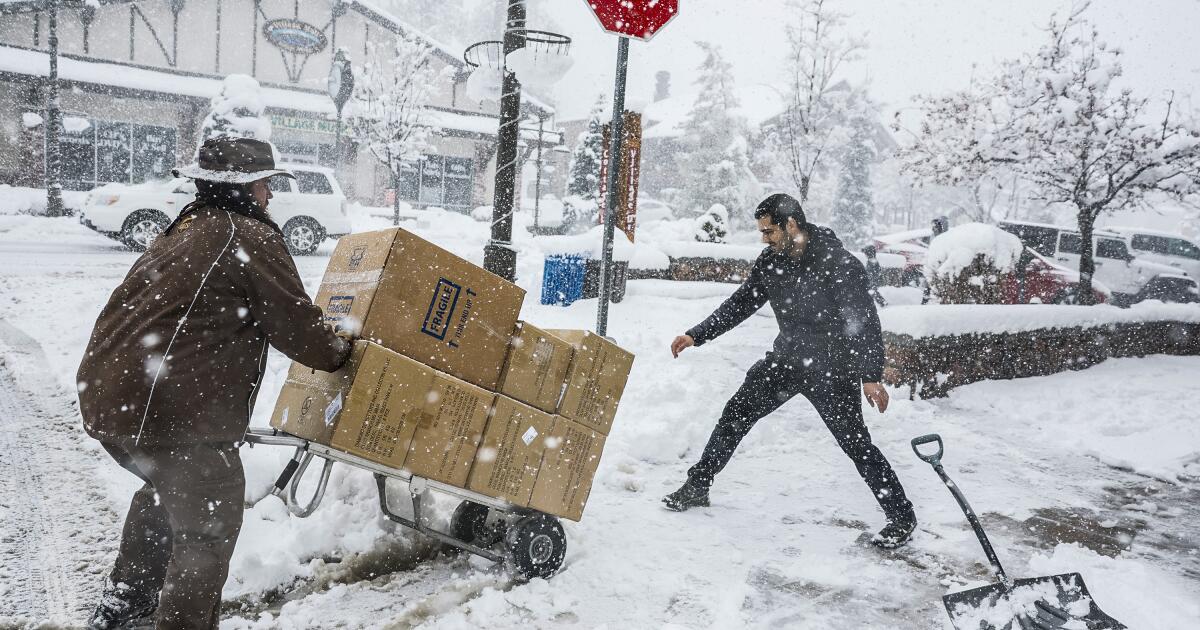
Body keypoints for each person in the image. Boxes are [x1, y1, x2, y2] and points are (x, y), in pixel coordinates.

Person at [77, 137, 352, 629]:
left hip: (111, 395)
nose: (271, 195)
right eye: (267, 184)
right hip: (169, 405)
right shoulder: (248, 235)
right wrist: (342, 351)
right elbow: (297, 327)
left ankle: (126, 601)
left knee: (165, 491)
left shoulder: (185, 228)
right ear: (248, 187)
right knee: (207, 526)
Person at [663, 193, 917, 549]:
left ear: (792, 225)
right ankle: (698, 485)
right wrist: (696, 334)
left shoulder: (839, 263)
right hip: (786, 361)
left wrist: (870, 376)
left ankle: (901, 516)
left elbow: (863, 322)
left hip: (833, 369)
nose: (764, 239)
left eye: (769, 232)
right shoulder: (771, 262)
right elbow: (741, 302)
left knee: (855, 444)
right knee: (736, 413)